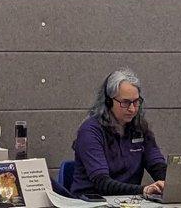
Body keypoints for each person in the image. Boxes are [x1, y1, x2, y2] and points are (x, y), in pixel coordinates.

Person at [71, 68, 167, 198]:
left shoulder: (140, 128)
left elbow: (157, 165)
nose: (132, 109)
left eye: (136, 101)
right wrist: (143, 190)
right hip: (93, 201)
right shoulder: (90, 131)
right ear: (108, 101)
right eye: (125, 102)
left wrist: (169, 183)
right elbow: (102, 183)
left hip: (129, 201)